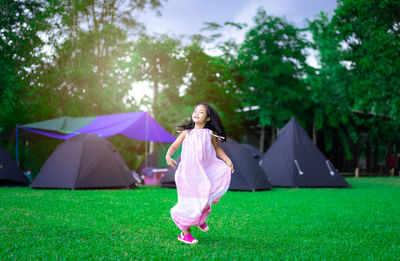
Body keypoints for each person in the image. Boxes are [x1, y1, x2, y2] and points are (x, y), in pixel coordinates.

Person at [165, 102, 234, 245]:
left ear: (208, 118)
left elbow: (217, 150)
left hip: (202, 173)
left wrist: (227, 161)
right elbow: (174, 145)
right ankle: (185, 234)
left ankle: (199, 219)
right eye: (195, 111)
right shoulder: (187, 133)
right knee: (187, 202)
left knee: (205, 196)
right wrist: (168, 155)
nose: (196, 113)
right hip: (187, 174)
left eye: (201, 112)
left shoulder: (210, 134)